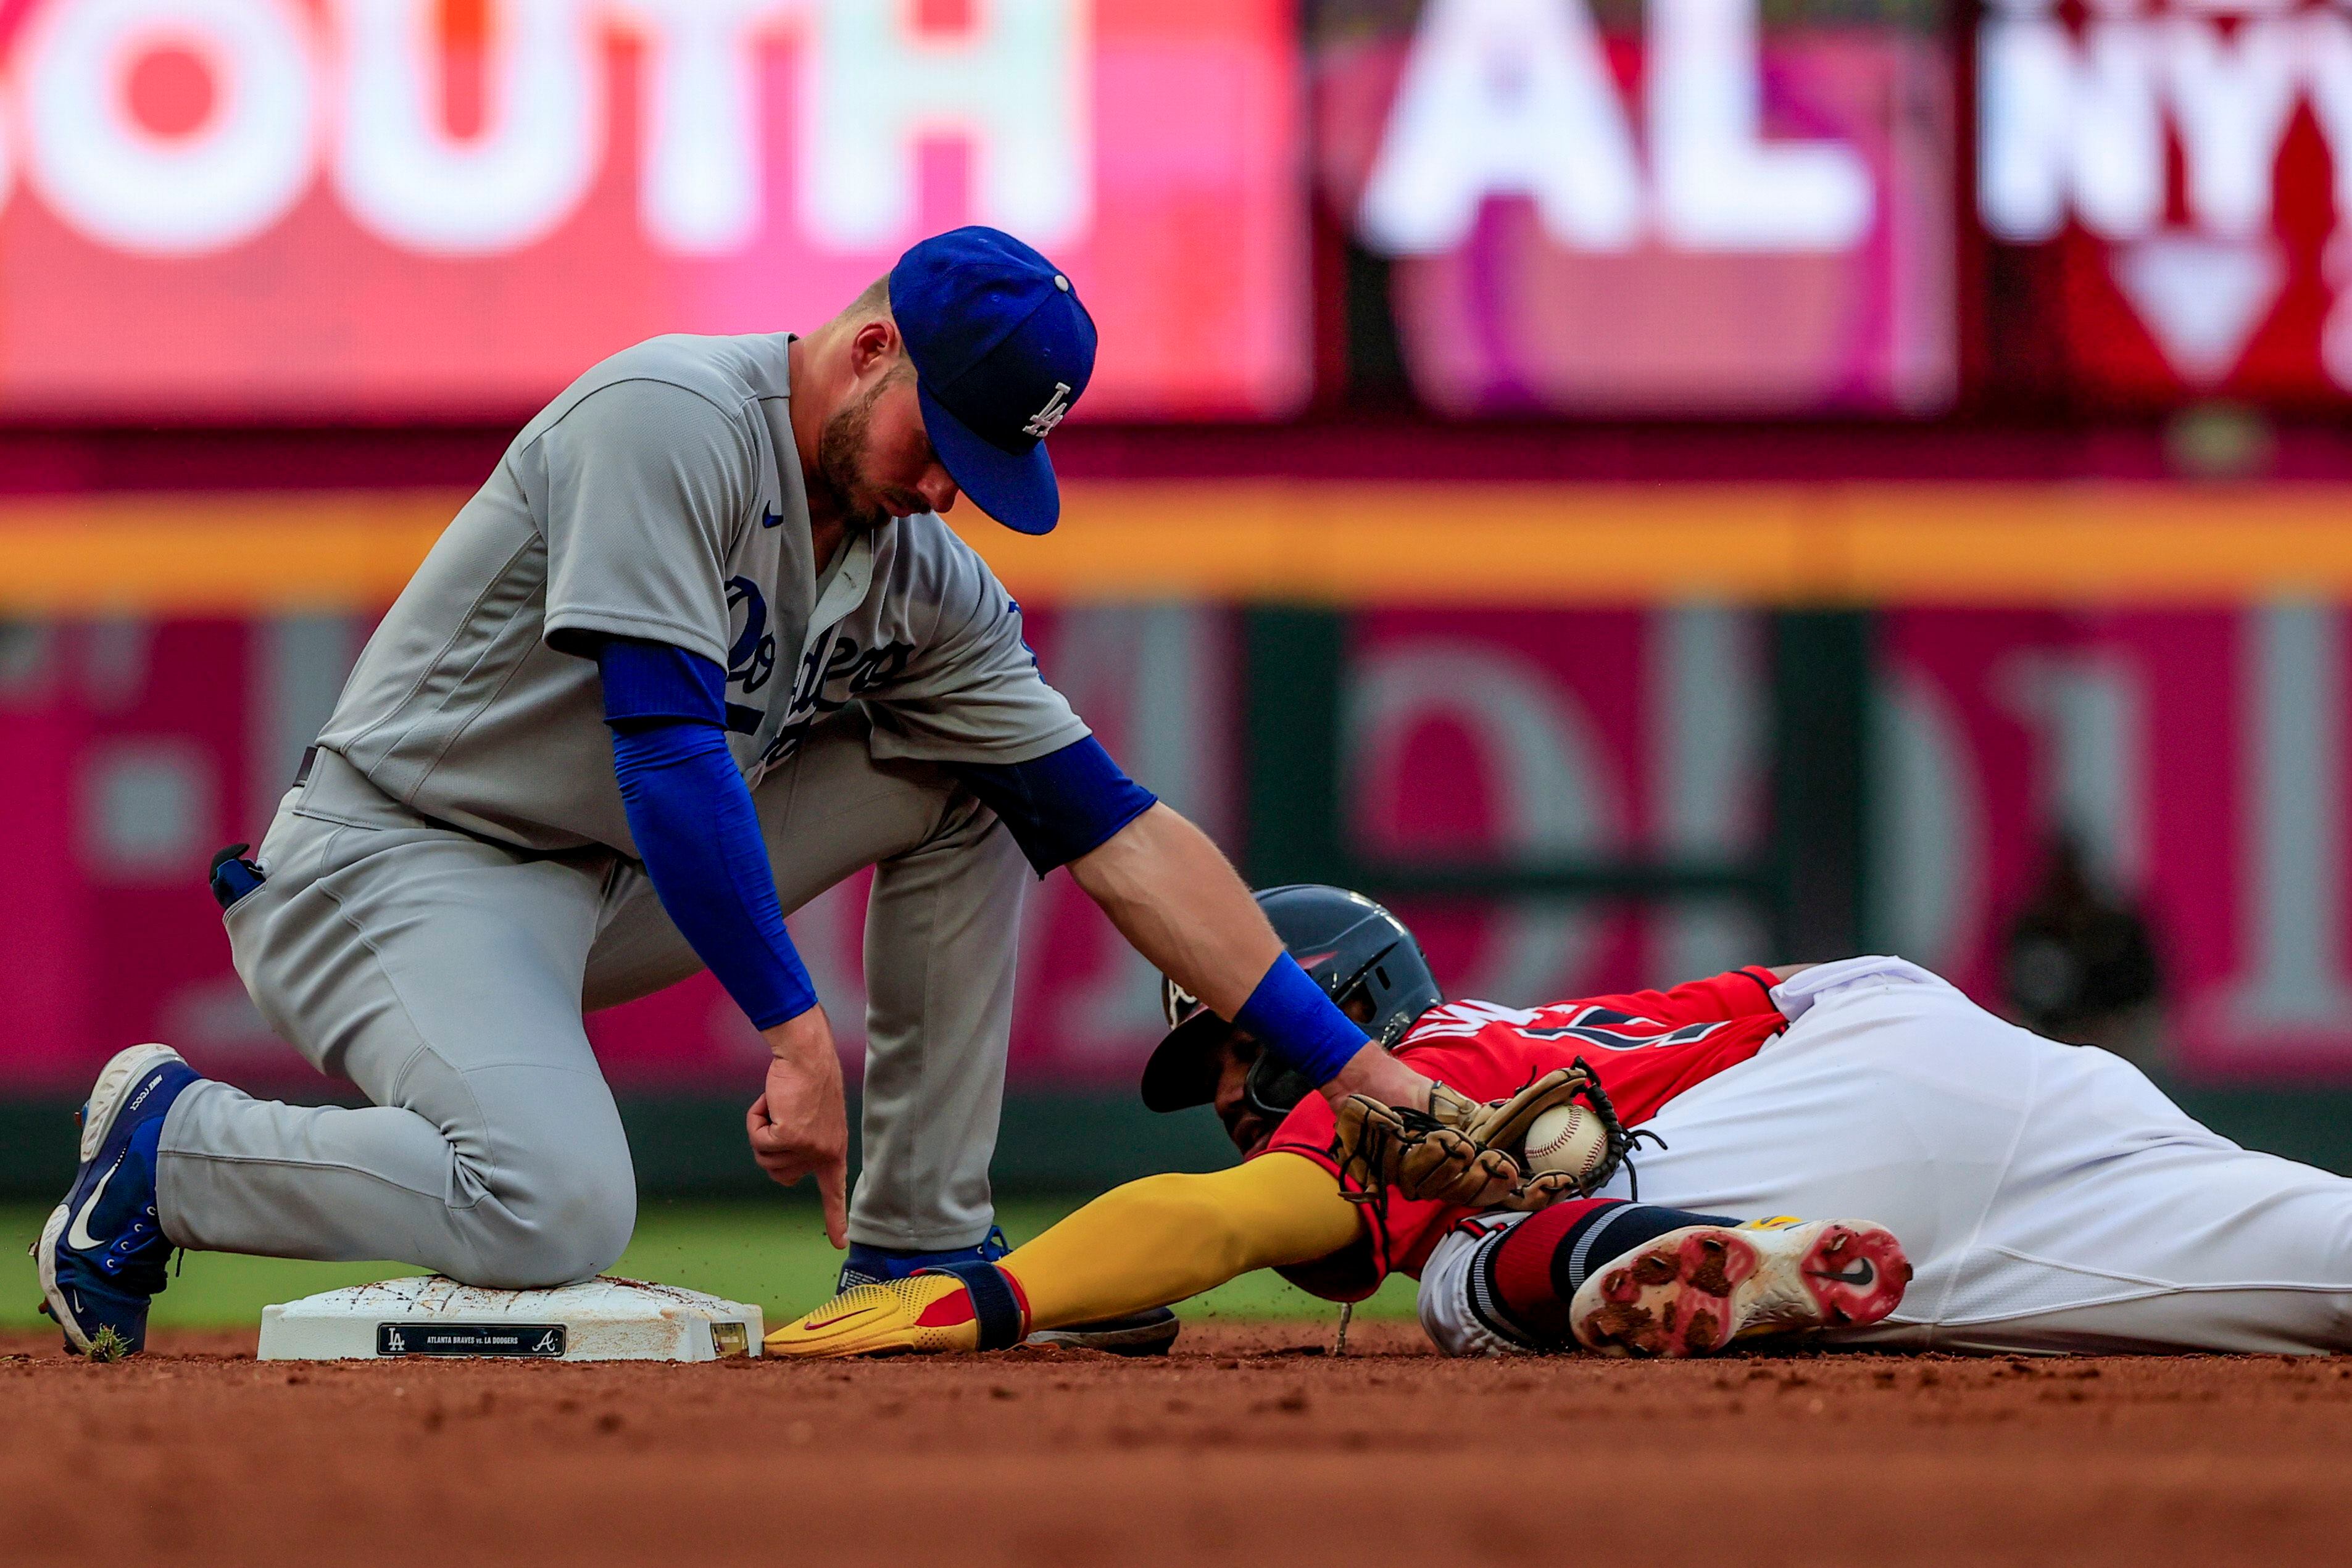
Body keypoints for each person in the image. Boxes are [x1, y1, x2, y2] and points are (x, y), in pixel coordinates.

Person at [35, 230, 1431, 1359]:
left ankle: (922, 1241)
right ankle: (177, 1150)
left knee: (985, 780)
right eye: (942, 438)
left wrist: (1366, 1073)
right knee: (555, 1204)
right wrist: (795, 1035)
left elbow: (1114, 827)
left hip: (596, 888)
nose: (951, 487)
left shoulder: (916, 568)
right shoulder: (671, 418)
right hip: (399, 862)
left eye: (990, 464)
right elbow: (665, 750)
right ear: (871, 346)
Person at [768, 885, 2352, 1360]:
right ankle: (1715, 1245)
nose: (1242, 1104)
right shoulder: (1512, 1030)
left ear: (1332, 1007)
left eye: (1243, 1060)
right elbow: (1819, 989)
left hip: (1742, 1148)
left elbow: (1230, 1221)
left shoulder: (1385, 1075)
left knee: (1469, 1275)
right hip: (1945, 1050)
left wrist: (990, 1292)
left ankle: (1654, 1257)